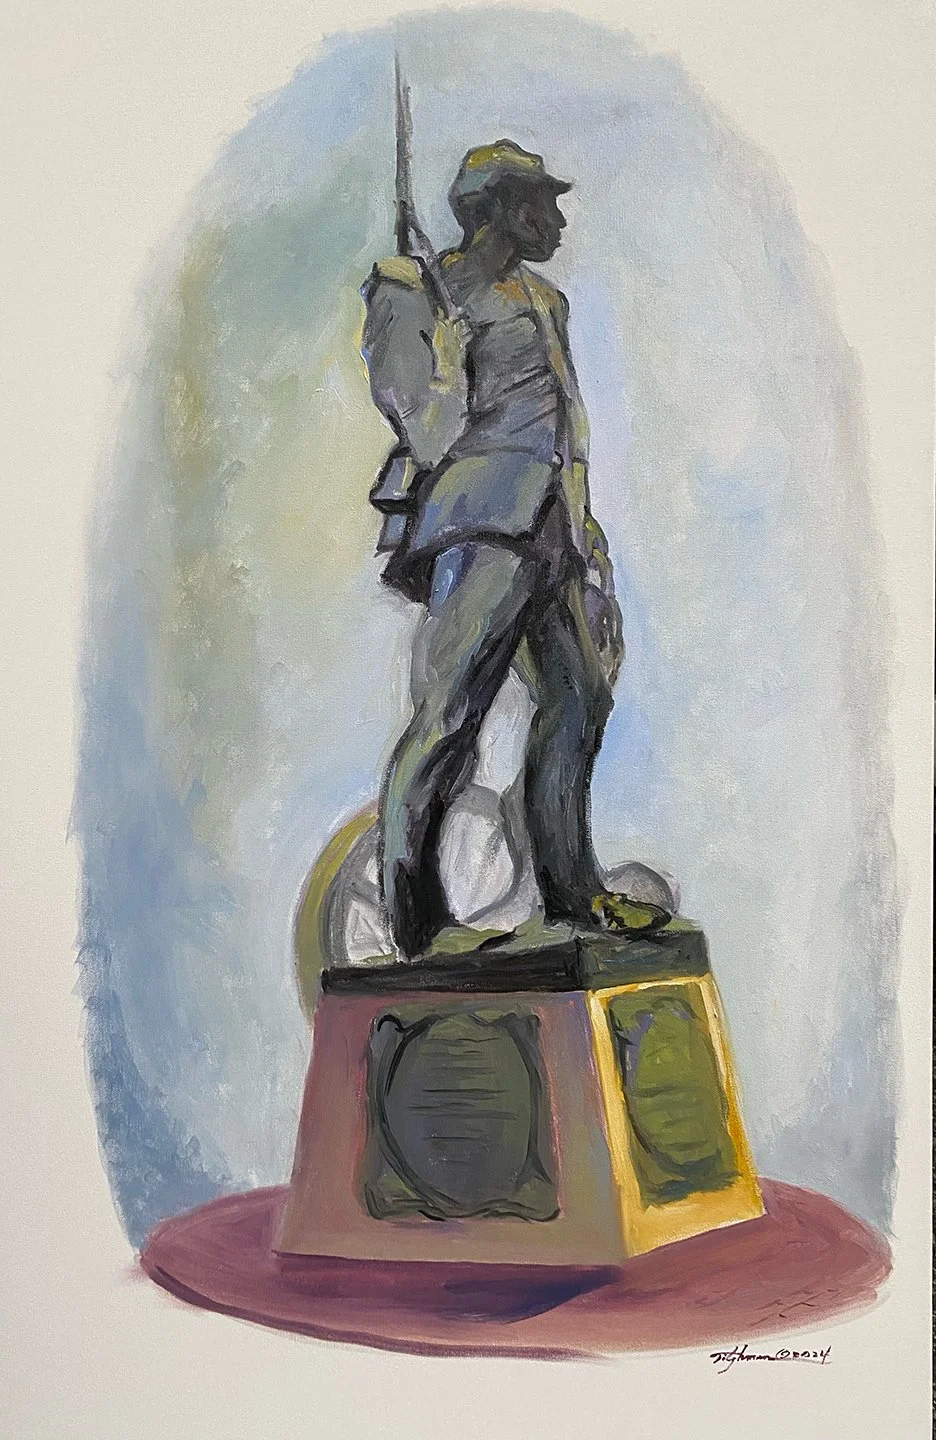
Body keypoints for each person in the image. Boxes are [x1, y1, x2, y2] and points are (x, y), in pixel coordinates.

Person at [361, 139, 670, 958]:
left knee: (580, 699)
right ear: (495, 210)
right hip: (480, 523)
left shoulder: (547, 301)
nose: (558, 221)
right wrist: (440, 337)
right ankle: (418, 923)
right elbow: (422, 421)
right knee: (449, 715)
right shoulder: (419, 288)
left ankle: (572, 894)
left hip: (552, 528)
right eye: (542, 205)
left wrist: (588, 540)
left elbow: (566, 431)